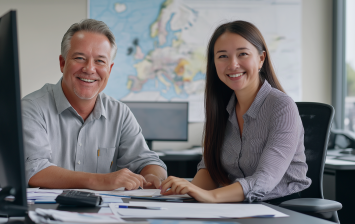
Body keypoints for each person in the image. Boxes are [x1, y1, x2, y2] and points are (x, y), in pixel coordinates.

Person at [160, 20, 311, 204]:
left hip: (284, 207)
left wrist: (211, 196)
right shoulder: (221, 109)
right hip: (236, 206)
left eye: (243, 54)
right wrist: (184, 193)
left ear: (261, 59)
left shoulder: (281, 106)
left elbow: (264, 180)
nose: (233, 64)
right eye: (222, 56)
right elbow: (210, 169)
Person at [22, 19, 167, 191]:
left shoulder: (119, 113)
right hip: (47, 213)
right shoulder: (31, 108)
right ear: (62, 63)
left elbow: (148, 161)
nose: (90, 69)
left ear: (110, 69)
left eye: (100, 61)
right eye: (80, 58)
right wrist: (102, 181)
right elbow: (33, 169)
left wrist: (151, 176)